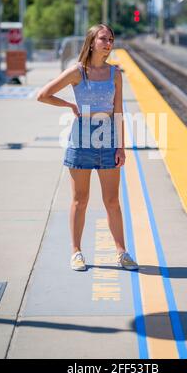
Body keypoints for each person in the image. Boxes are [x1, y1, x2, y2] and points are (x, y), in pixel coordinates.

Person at [37, 24, 138, 272]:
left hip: (107, 143)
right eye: (104, 38)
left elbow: (118, 112)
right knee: (80, 201)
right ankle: (76, 252)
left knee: (112, 201)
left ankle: (122, 252)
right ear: (92, 42)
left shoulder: (115, 73)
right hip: (80, 144)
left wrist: (121, 147)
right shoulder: (77, 72)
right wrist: (70, 106)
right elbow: (43, 94)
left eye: (111, 39)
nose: (108, 42)